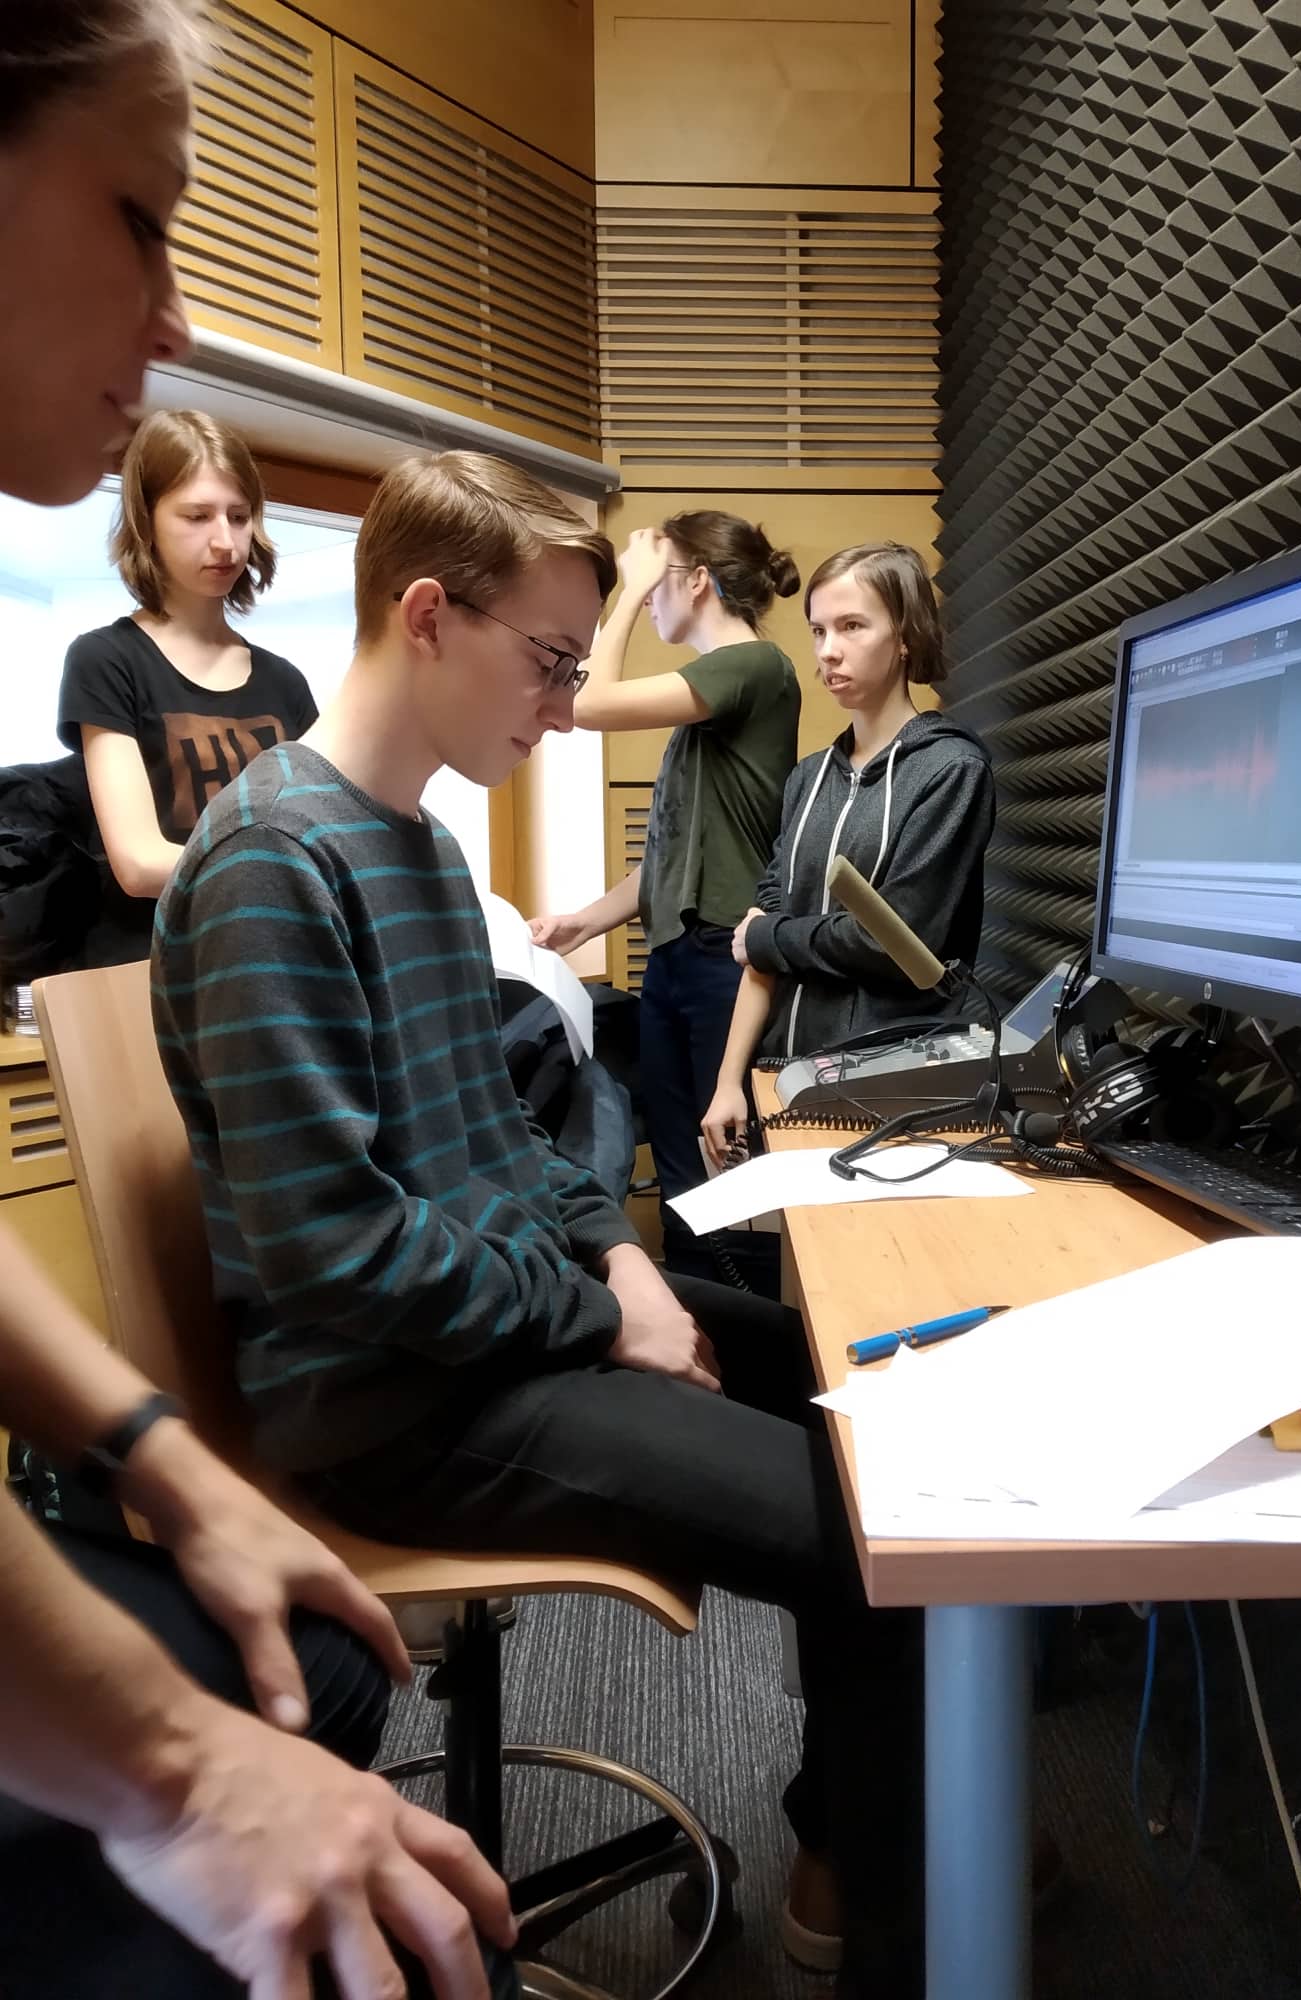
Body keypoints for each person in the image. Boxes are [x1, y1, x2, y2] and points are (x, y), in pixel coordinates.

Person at [152, 450, 925, 1998]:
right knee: (869, 1535)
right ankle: (897, 1894)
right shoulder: (271, 863)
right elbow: (336, 1255)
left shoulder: (423, 850)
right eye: (554, 662)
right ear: (429, 616)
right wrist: (601, 1316)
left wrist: (626, 1257)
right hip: (391, 1401)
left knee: (866, 1385)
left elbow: (508, 1138)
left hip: (487, 1336)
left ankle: (878, 1821)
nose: (569, 706)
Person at [0, 6, 516, 1996]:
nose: (178, 309)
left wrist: (157, 1450)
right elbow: (152, 857)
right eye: (139, 215)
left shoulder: (304, 720)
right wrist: (171, 1769)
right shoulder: (126, 690)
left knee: (302, 1662)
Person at [528, 513, 801, 1275]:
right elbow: (668, 859)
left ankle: (748, 1338)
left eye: (657, 583)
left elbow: (584, 705)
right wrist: (583, 924)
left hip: (727, 960)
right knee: (682, 1184)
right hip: (678, 958)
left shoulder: (755, 665)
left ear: (697, 580)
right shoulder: (702, 709)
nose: (648, 600)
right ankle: (698, 1329)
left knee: (728, 1186)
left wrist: (627, 591)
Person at [701, 542, 996, 1165]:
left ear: (905, 635)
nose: (828, 651)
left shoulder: (951, 769)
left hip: (888, 1088)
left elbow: (896, 943)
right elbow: (760, 937)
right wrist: (729, 1082)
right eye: (818, 630)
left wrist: (771, 937)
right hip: (783, 1078)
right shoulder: (807, 779)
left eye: (852, 626)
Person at [58, 406, 317, 963]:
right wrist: (288, 877)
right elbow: (138, 863)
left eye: (239, 516)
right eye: (197, 516)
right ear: (147, 523)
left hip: (273, 961)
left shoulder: (286, 682)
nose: (226, 542)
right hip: (157, 970)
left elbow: (326, 831)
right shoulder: (106, 660)